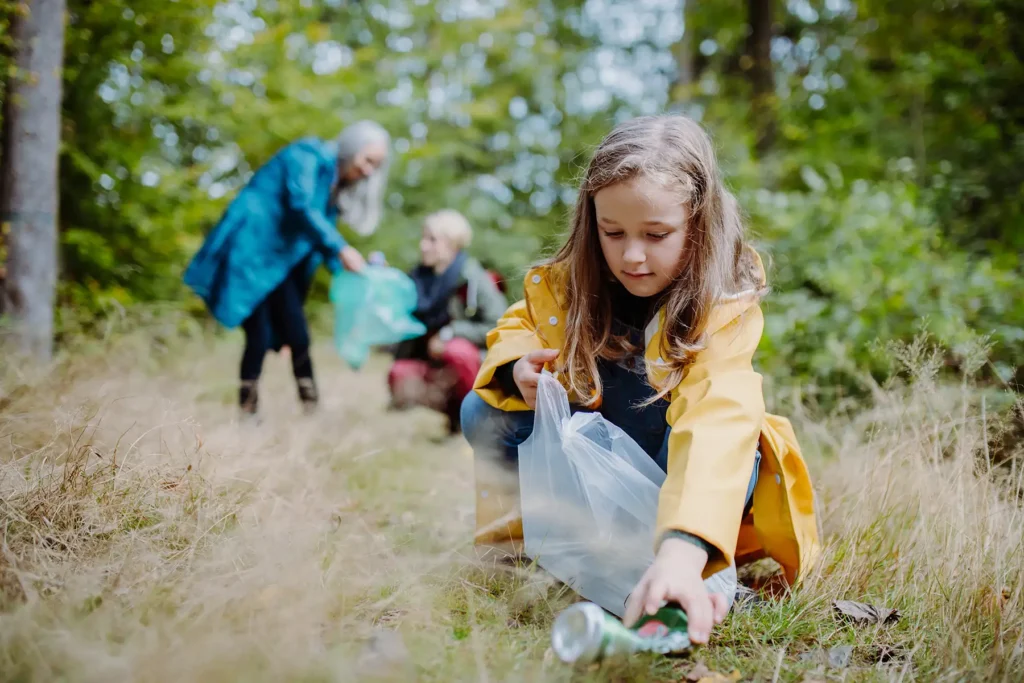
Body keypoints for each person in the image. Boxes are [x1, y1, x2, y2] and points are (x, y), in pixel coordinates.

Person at [460, 115, 820, 645]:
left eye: (656, 235)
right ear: (592, 223)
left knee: (742, 449)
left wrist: (681, 548)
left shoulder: (722, 303)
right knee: (482, 409)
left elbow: (719, 419)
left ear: (698, 224)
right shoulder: (570, 286)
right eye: (613, 233)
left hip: (676, 476)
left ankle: (674, 564)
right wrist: (517, 367)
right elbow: (518, 323)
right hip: (591, 479)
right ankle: (538, 550)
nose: (632, 254)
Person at [183, 121, 391, 418]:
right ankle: (248, 414)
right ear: (351, 147)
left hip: (280, 265)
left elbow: (322, 239)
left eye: (377, 165)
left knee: (299, 336)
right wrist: (342, 248)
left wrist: (352, 270)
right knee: (258, 335)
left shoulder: (334, 187)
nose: (369, 171)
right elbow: (301, 207)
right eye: (368, 160)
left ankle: (311, 411)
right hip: (253, 252)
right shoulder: (307, 155)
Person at [387, 210, 507, 434]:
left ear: (452, 243)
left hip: (471, 363)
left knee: (456, 351)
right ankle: (454, 417)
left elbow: (499, 326)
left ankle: (478, 422)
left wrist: (450, 333)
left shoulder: (474, 278)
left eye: (432, 239)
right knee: (399, 372)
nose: (423, 246)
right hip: (432, 365)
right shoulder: (417, 279)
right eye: (423, 238)